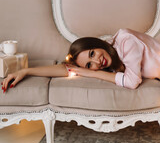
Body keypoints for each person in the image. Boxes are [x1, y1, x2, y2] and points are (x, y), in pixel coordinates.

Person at [2, 28, 160, 93]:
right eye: (90, 65)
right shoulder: (107, 57)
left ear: (96, 44)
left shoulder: (126, 41)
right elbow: (67, 69)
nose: (97, 62)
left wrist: (91, 73)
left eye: (92, 53)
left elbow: (132, 82)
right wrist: (25, 71)